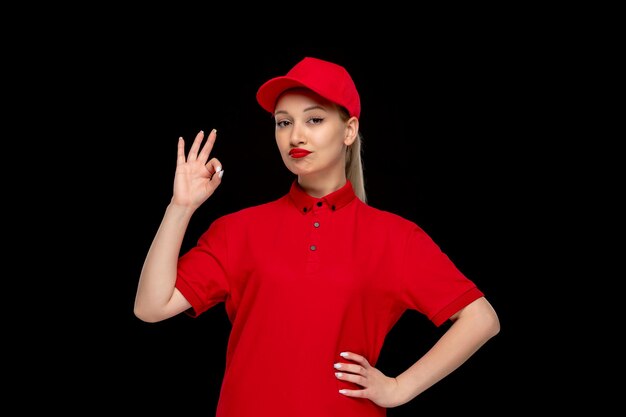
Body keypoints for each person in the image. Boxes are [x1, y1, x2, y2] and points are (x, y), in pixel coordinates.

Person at [134, 56, 500, 416]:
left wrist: (400, 387)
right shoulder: (238, 230)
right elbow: (151, 307)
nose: (296, 135)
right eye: (283, 122)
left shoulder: (396, 238)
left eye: (314, 119)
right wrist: (179, 208)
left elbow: (481, 319)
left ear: (349, 130)